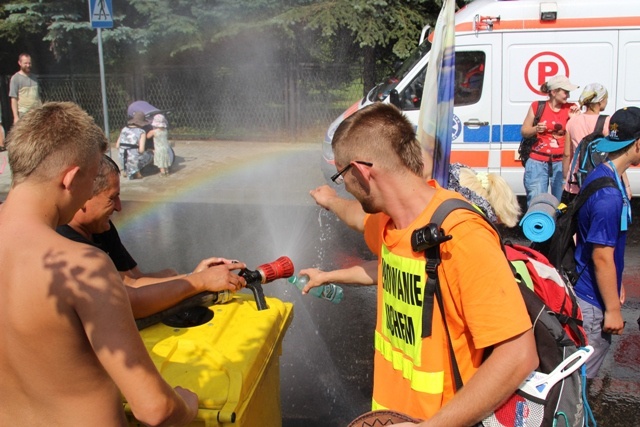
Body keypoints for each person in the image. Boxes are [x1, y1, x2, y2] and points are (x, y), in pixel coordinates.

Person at [309, 102, 537, 424]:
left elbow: (518, 355)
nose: (343, 185)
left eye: (341, 176)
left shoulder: (461, 234)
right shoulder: (392, 222)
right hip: (390, 416)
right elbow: (358, 218)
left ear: (361, 171)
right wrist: (331, 201)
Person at [0, 102, 198, 425]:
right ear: (71, 178)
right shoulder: (81, 266)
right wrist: (187, 405)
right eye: (91, 179)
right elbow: (154, 408)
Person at [57, 155, 247, 319]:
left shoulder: (100, 227)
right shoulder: (67, 245)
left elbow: (134, 280)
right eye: (111, 198)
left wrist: (192, 276)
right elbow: (130, 302)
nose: (119, 207)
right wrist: (200, 281)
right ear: (83, 195)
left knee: (170, 273)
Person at [573, 106, 640, 379]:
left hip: (591, 288)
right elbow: (601, 256)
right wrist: (612, 310)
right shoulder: (609, 197)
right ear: (637, 144)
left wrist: (617, 281)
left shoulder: (602, 172)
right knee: (579, 386)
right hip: (592, 302)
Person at [521, 75, 580, 206]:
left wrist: (575, 119)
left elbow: (578, 136)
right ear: (553, 92)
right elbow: (524, 131)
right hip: (537, 161)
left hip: (562, 163)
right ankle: (537, 225)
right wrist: (536, 129)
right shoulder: (537, 106)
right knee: (536, 202)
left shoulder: (572, 108)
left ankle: (558, 226)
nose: (568, 95)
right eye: (565, 92)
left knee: (561, 204)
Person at [562, 83, 612, 202]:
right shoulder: (606, 121)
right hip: (599, 180)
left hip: (575, 180)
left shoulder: (572, 122)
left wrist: (566, 177)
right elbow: (612, 153)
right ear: (600, 101)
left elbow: (567, 154)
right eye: (606, 99)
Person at [117, 111, 153, 180]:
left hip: (122, 158)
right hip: (133, 159)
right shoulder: (141, 132)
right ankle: (136, 171)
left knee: (127, 154)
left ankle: (126, 170)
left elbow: (117, 146)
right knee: (150, 155)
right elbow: (141, 150)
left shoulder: (124, 129)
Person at [9, 53, 42, 123]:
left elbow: (38, 96)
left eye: (29, 63)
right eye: (25, 63)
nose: (28, 65)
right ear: (19, 63)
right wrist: (16, 117)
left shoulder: (34, 78)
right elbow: (14, 99)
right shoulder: (15, 78)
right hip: (23, 114)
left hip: (36, 113)